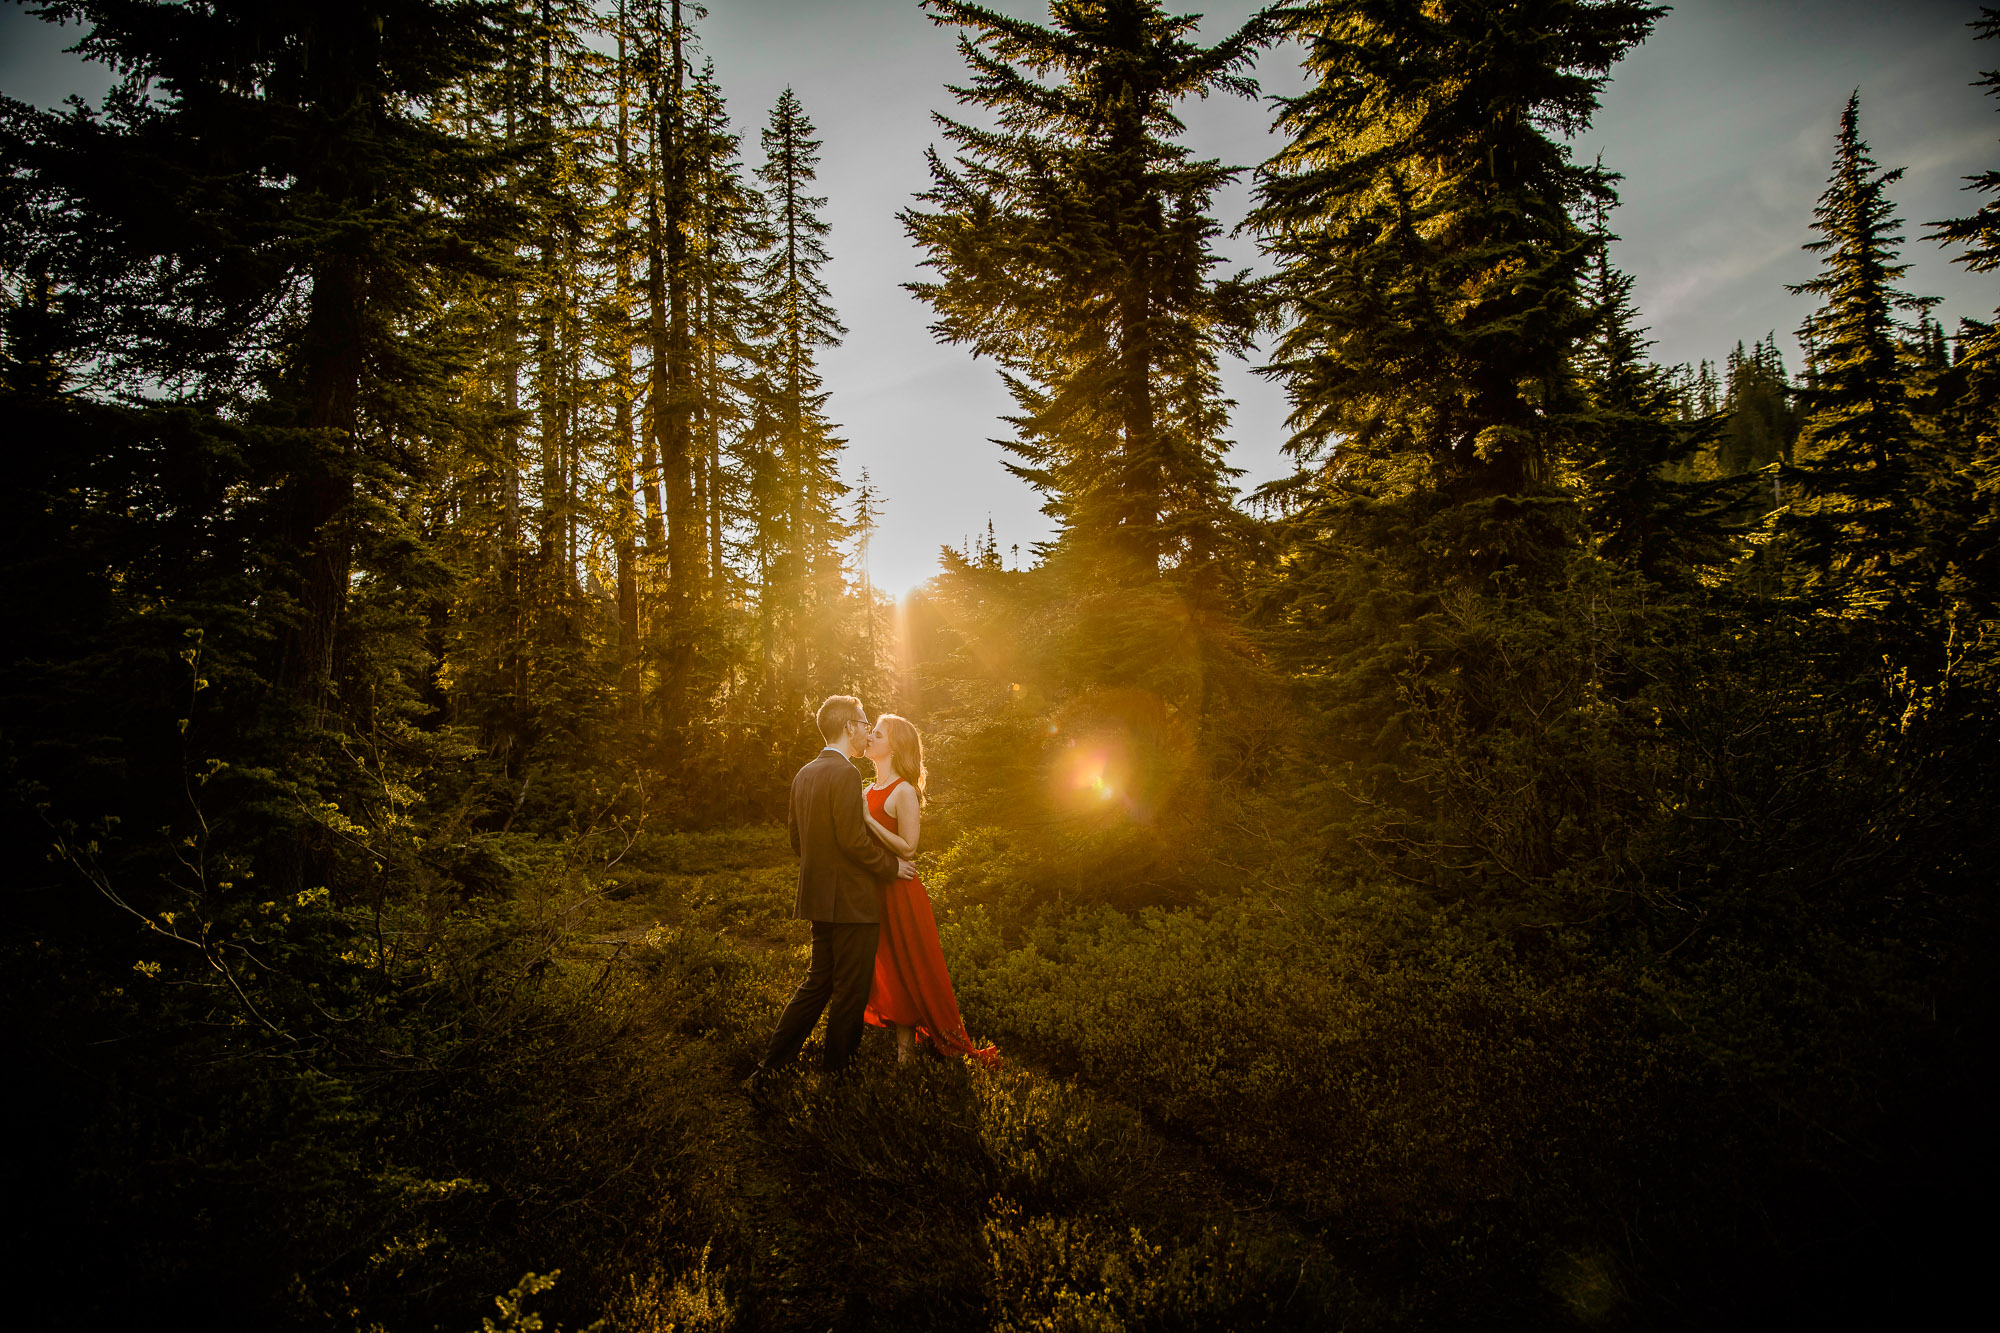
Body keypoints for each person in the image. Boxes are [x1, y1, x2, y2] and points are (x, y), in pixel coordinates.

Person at [746, 695, 915, 1081]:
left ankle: (769, 1067)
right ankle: (837, 1078)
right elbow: (853, 841)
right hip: (854, 903)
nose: (866, 730)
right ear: (848, 727)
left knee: (816, 984)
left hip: (818, 898)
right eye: (863, 722)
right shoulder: (846, 774)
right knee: (850, 994)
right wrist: (892, 867)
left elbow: (796, 840)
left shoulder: (804, 773)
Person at [860, 714, 1001, 1070]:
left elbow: (908, 848)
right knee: (887, 969)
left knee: (912, 966)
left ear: (894, 746)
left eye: (877, 733)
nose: (870, 737)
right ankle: (902, 1056)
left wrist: (868, 820)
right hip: (873, 891)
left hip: (901, 892)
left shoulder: (903, 790)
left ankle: (906, 1059)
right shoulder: (866, 790)